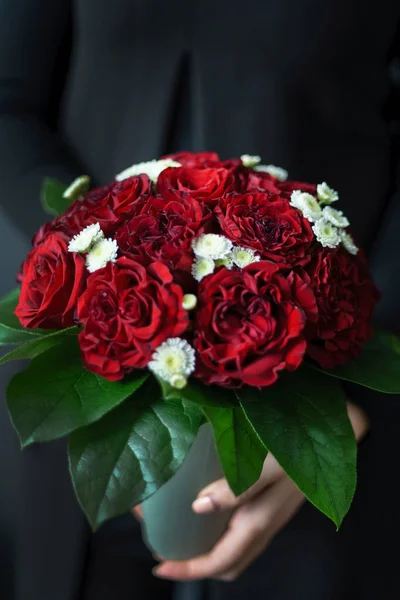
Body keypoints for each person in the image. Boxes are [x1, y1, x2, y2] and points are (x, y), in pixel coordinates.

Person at [0, 2, 399, 599]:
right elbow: (9, 98)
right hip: (88, 347)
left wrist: (350, 400)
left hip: (314, 369)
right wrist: (91, 265)